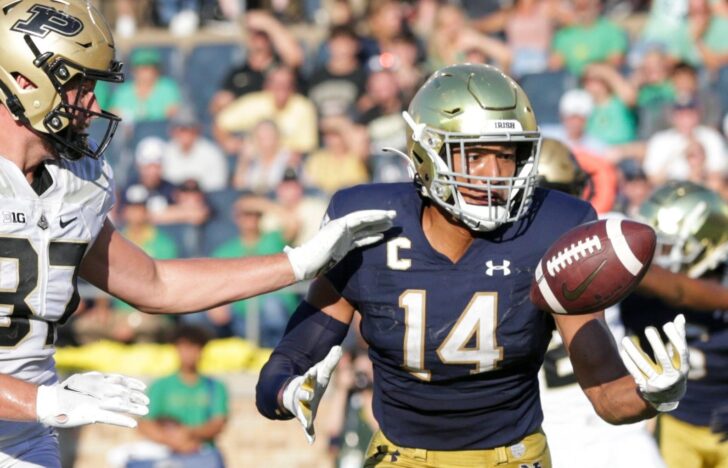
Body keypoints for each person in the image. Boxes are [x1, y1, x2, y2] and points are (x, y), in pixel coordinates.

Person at [0, 1, 395, 466]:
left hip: (27, 437)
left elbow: (156, 284)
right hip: (39, 409)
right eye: (80, 87)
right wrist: (43, 400)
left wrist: (298, 263)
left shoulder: (74, 179)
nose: (92, 106)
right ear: (25, 82)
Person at [256, 63, 689, 467]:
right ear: (428, 151)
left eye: (508, 155)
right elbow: (290, 360)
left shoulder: (553, 225)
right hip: (401, 456)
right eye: (475, 154)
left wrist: (652, 395)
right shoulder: (369, 222)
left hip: (512, 457)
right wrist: (286, 392)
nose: (494, 174)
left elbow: (606, 394)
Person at [625, 181, 728, 468]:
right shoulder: (640, 299)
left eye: (666, 247)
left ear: (706, 243)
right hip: (675, 422)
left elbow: (680, 290)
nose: (654, 258)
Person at [134, 325, 228, 467]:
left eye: (193, 347)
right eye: (183, 347)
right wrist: (171, 440)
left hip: (202, 456)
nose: (188, 353)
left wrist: (190, 434)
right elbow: (144, 423)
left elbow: (218, 423)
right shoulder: (160, 385)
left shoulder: (216, 387)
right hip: (166, 455)